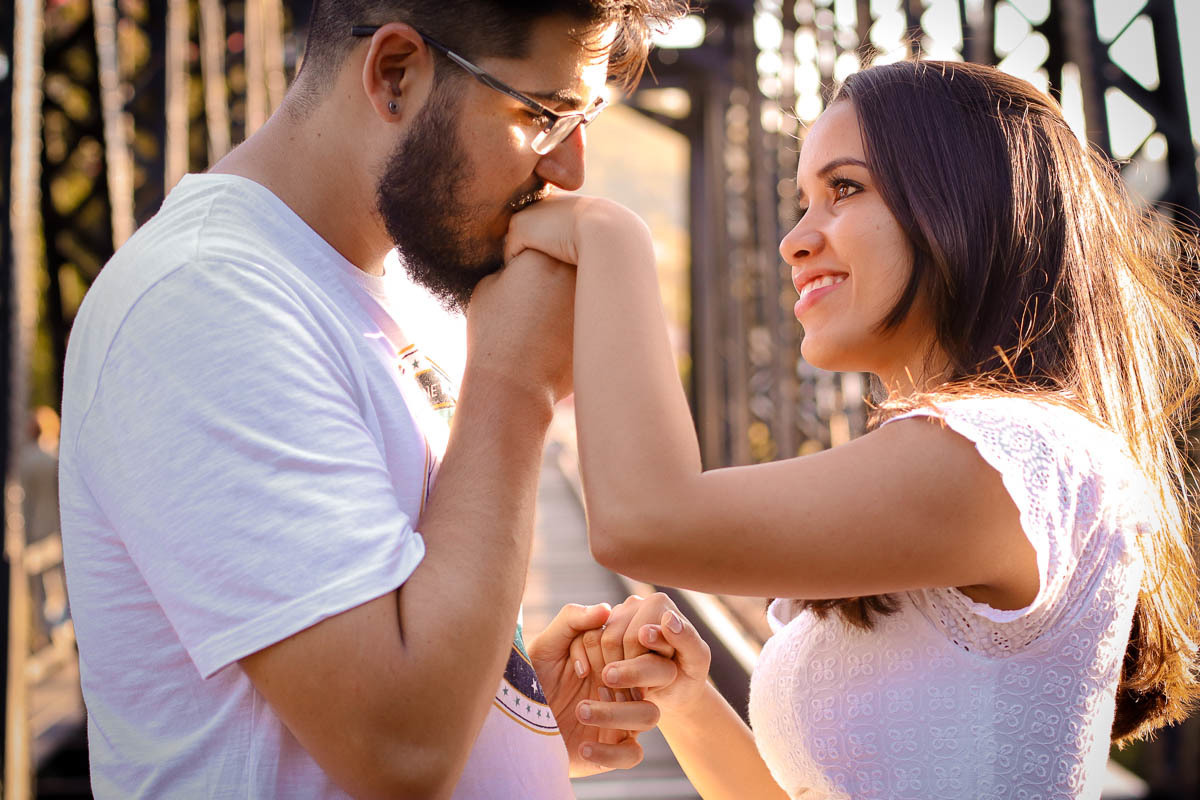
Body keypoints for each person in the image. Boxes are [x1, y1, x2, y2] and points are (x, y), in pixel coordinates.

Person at [500, 59, 1200, 798]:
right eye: (802, 200)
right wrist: (685, 702)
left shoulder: (1019, 456)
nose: (795, 240)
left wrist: (610, 237)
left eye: (844, 189)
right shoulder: (977, 465)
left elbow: (643, 520)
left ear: (962, 205)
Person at [57, 1, 686, 797]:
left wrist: (508, 699)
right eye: (546, 117)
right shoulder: (204, 299)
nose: (569, 169)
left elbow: (400, 639)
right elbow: (398, 749)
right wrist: (514, 387)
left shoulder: (399, 294)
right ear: (396, 75)